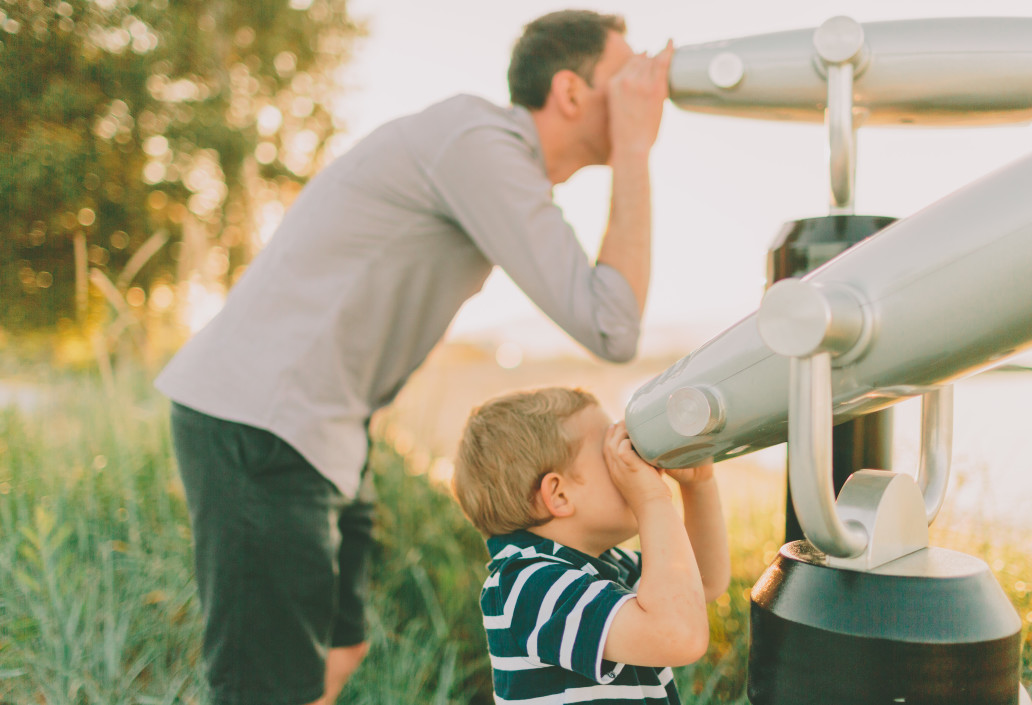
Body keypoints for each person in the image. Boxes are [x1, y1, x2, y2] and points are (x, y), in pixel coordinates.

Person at [156, 10, 674, 705]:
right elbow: (613, 326)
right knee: (265, 687)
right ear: (571, 92)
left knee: (340, 650)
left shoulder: (496, 167)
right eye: (627, 76)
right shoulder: (478, 142)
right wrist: (636, 150)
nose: (646, 91)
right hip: (261, 419)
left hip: (329, 429)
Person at [452, 387, 731, 704]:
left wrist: (698, 486)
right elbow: (679, 635)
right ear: (559, 494)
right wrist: (652, 499)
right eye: (611, 453)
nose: (634, 458)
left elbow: (700, 581)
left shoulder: (607, 564)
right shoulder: (528, 584)